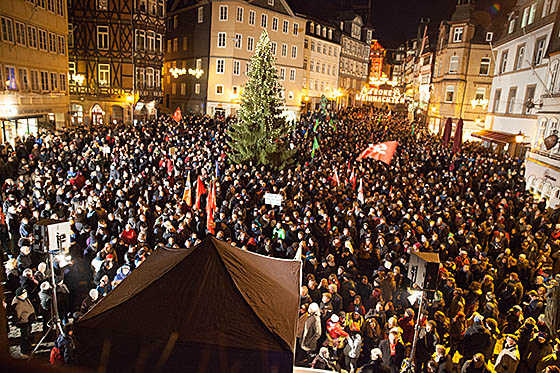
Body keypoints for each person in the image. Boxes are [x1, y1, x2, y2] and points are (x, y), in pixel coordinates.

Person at [11, 287, 36, 357]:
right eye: (24, 293)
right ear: (20, 295)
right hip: (24, 322)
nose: (26, 294)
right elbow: (17, 315)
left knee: (28, 335)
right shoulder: (17, 303)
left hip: (28, 321)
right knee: (25, 336)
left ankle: (28, 346)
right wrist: (20, 320)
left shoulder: (24, 299)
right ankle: (23, 351)